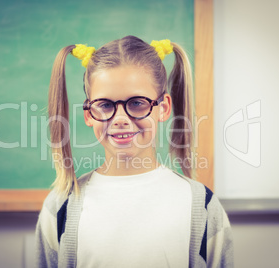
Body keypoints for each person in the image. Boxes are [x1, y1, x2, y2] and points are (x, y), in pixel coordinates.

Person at [35, 35, 233, 268]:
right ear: (89, 114)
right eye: (105, 105)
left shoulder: (201, 206)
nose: (120, 119)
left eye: (137, 103)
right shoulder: (60, 206)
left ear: (163, 108)